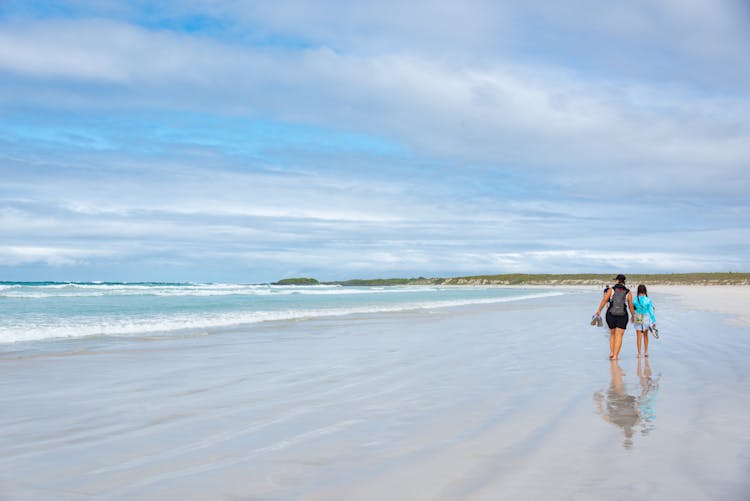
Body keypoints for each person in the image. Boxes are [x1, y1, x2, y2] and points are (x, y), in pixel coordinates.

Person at [594, 274, 635, 360]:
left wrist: (599, 311)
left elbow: (604, 300)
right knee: (619, 335)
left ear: (617, 281)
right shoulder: (628, 292)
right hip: (623, 315)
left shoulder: (611, 290)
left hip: (610, 315)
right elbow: (631, 306)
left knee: (612, 334)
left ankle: (612, 352)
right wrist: (633, 316)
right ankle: (616, 356)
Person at [632, 284, 657, 358]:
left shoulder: (635, 299)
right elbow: (651, 311)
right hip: (646, 318)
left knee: (638, 336)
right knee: (645, 335)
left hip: (638, 317)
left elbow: (633, 309)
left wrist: (632, 317)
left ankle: (639, 353)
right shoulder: (648, 300)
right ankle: (646, 352)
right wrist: (654, 321)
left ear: (638, 291)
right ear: (645, 291)